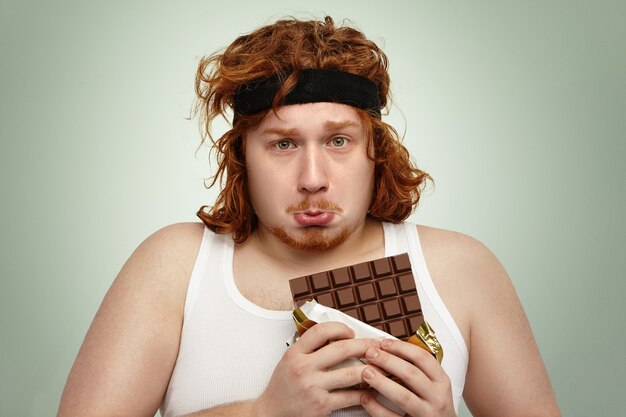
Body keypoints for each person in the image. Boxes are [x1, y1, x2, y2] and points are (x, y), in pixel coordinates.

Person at [57, 16, 560, 417]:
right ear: (242, 157)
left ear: (375, 152)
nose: (313, 178)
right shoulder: (175, 266)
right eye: (283, 143)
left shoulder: (461, 270)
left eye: (338, 141)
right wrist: (263, 414)